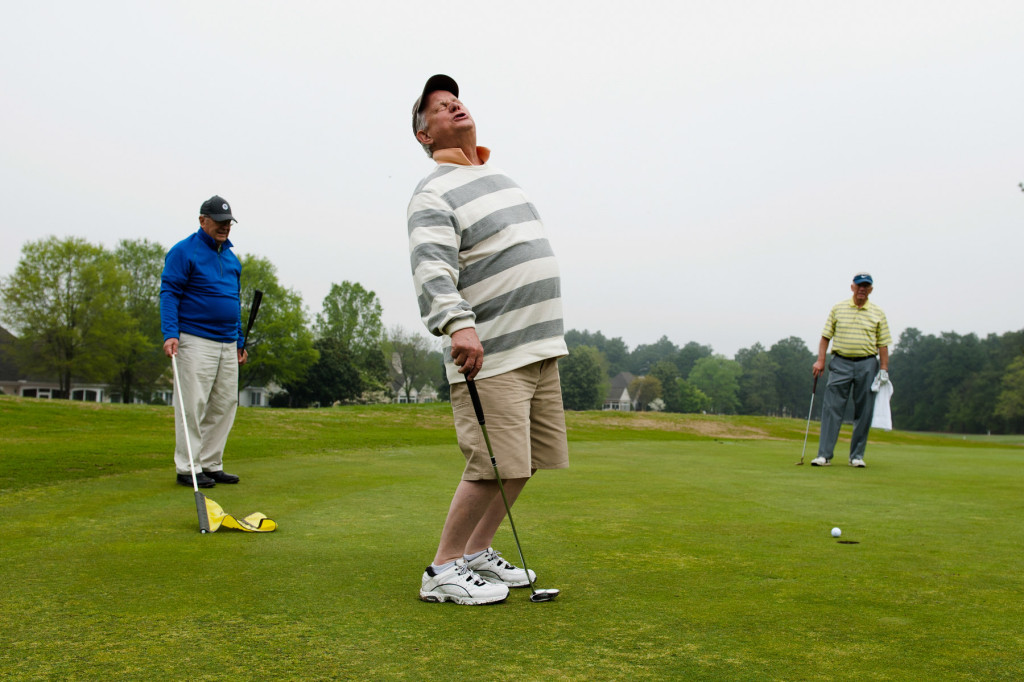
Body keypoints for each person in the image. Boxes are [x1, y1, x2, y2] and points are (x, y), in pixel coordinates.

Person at [407, 75, 570, 605]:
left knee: (527, 460)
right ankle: (443, 569)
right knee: (491, 463)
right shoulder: (432, 192)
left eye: (455, 99)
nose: (451, 104)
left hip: (538, 346)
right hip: (491, 352)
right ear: (423, 136)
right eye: (437, 106)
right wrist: (459, 324)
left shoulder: (500, 175)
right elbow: (432, 268)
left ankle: (477, 552)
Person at [161, 195, 247, 488]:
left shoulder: (232, 259)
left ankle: (211, 463)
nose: (225, 228)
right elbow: (169, 292)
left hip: (226, 341)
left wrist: (239, 340)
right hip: (194, 338)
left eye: (228, 223)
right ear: (202, 221)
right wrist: (170, 333)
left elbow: (234, 302)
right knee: (193, 404)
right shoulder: (184, 252)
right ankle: (188, 467)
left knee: (225, 403)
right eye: (220, 223)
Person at [811, 272, 891, 468]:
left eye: (866, 286)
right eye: (859, 285)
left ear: (871, 289)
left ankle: (856, 456)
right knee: (832, 408)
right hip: (840, 362)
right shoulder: (838, 309)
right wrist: (821, 361)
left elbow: (883, 345)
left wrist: (884, 369)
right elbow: (825, 338)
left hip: (867, 364)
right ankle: (824, 455)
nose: (862, 289)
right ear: (852, 287)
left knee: (864, 410)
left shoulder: (878, 313)